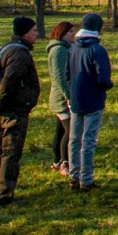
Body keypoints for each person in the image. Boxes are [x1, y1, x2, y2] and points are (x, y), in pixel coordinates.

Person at [0, 15, 40, 206]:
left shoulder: (8, 49)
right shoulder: (19, 54)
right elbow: (11, 80)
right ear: (24, 33)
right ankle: (5, 195)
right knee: (10, 151)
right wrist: (3, 103)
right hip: (13, 109)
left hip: (6, 107)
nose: (37, 34)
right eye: (34, 31)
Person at [66, 13, 112, 192]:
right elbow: (103, 78)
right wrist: (108, 85)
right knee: (89, 140)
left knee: (74, 140)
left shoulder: (72, 48)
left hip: (77, 99)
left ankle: (73, 176)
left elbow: (67, 74)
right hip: (93, 99)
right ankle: (86, 180)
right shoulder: (98, 50)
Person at [47, 21, 74, 176]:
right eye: (70, 32)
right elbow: (59, 77)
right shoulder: (59, 50)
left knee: (60, 130)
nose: (73, 34)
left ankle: (57, 161)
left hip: (61, 96)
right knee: (69, 131)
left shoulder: (62, 48)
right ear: (62, 34)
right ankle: (65, 163)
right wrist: (68, 96)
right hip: (61, 98)